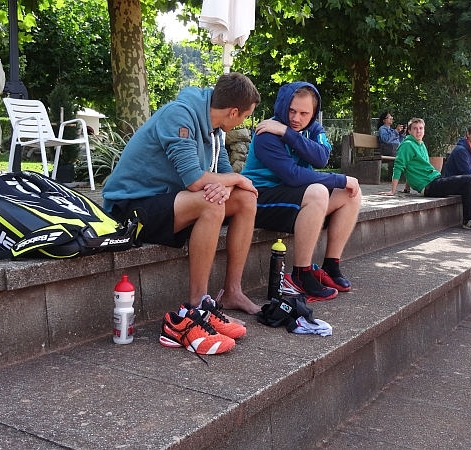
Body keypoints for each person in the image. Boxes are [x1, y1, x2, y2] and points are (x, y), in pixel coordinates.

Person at [102, 73, 261, 354]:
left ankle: (233, 292)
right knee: (211, 202)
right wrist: (234, 180)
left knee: (246, 199)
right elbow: (195, 180)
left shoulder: (215, 130)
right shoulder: (179, 116)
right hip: (130, 207)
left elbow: (223, 175)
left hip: (172, 202)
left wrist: (229, 184)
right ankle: (197, 308)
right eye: (245, 117)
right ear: (233, 112)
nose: (243, 123)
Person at [242, 82, 361, 302]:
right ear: (283, 106)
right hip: (259, 199)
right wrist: (339, 178)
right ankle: (300, 275)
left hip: (291, 196)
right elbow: (293, 176)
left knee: (351, 192)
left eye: (304, 113)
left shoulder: (311, 129)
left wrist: (288, 133)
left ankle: (331, 266)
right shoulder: (266, 132)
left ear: (313, 113)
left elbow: (321, 158)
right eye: (291, 110)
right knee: (318, 192)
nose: (296, 118)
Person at [378, 118, 471, 231]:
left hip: (436, 180)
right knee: (469, 180)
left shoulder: (421, 144)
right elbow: (399, 166)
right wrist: (392, 191)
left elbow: (412, 167)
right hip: (429, 186)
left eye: (421, 128)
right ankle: (469, 220)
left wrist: (407, 189)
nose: (418, 131)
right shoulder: (407, 145)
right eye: (415, 128)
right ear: (409, 131)